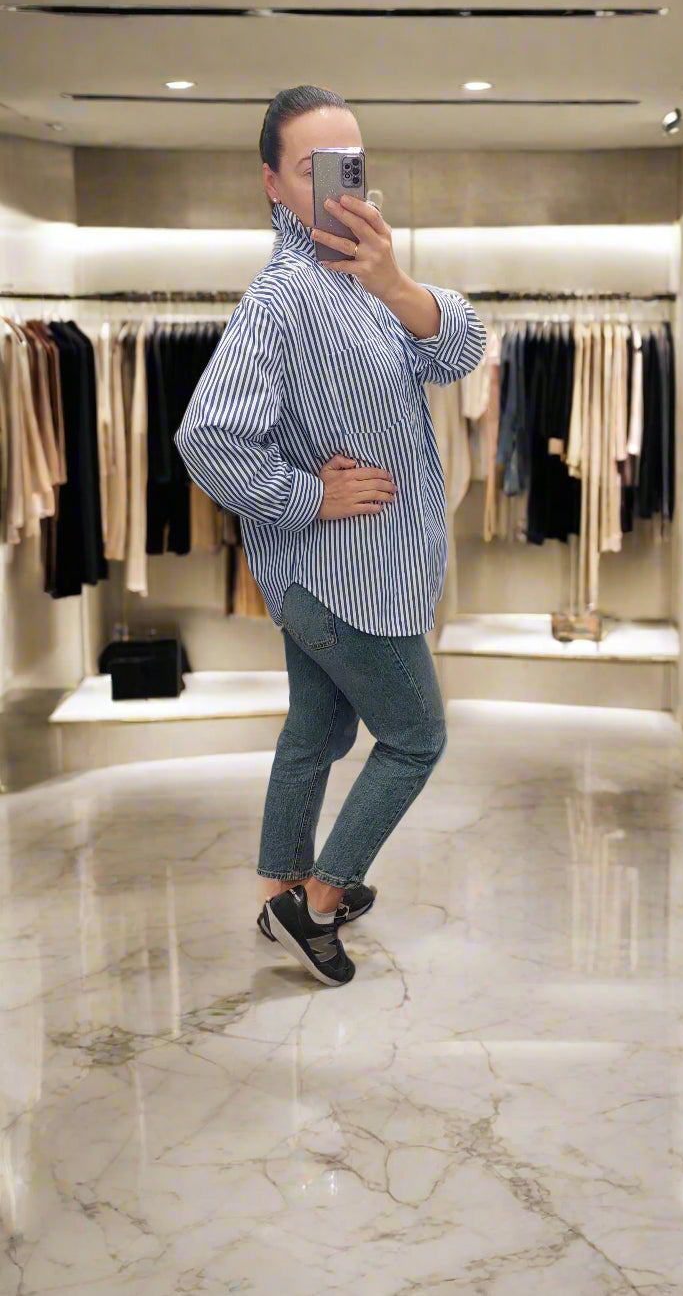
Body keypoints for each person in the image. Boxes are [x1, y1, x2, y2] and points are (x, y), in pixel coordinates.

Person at [175, 84, 485, 987]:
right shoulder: (281, 298)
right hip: (348, 577)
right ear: (273, 183)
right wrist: (308, 496)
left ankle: (277, 886)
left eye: (350, 165)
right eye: (314, 169)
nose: (337, 185)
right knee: (416, 736)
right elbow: (206, 436)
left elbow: (459, 349)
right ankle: (316, 901)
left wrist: (394, 282)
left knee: (316, 728)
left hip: (359, 569)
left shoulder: (364, 280)